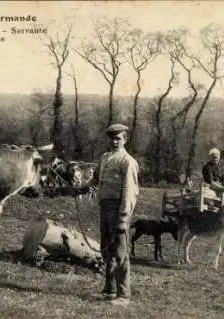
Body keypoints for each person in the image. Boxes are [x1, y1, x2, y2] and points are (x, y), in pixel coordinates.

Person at [96, 123, 139, 307]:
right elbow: (95, 180)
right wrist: (76, 189)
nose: (114, 141)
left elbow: (130, 192)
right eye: (112, 138)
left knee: (120, 253)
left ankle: (124, 295)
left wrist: (123, 218)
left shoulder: (127, 161)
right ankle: (109, 290)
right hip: (104, 208)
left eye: (118, 138)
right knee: (107, 249)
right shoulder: (105, 158)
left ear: (125, 139)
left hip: (118, 210)